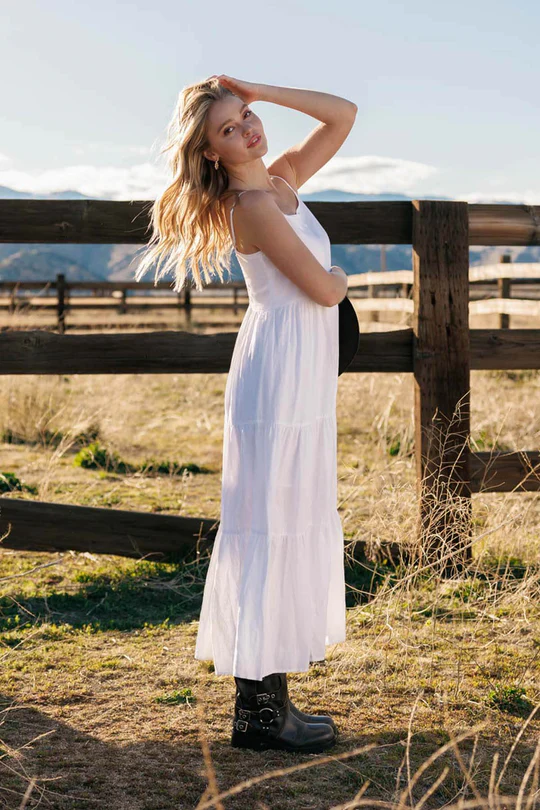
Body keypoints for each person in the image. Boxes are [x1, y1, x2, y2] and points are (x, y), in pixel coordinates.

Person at [135, 75, 357, 754]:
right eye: (228, 130)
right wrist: (344, 279)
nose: (248, 131)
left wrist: (257, 88)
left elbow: (343, 114)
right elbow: (323, 289)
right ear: (210, 152)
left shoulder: (282, 181)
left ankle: (267, 706)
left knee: (285, 516)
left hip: (299, 370)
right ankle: (260, 714)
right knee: (269, 523)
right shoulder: (254, 206)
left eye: (246, 117)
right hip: (279, 373)